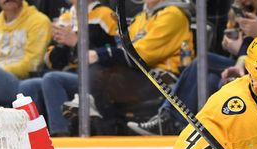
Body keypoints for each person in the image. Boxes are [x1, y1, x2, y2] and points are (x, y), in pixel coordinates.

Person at [126, 0, 257, 136]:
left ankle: (172, 120)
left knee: (204, 61)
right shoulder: (243, 11)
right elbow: (247, 43)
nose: (244, 1)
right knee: (211, 80)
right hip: (243, 64)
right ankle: (189, 131)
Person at [70, 0, 193, 135]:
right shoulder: (141, 17)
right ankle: (92, 108)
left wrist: (101, 54)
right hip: (140, 74)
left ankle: (104, 125)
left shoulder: (173, 14)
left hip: (162, 78)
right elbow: (121, 48)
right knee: (96, 71)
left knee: (100, 73)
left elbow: (142, 54)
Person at [18, 0, 117, 137]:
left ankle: (62, 135)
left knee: (52, 79)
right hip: (68, 74)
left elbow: (112, 54)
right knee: (28, 85)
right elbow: (51, 61)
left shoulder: (105, 15)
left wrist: (76, 42)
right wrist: (63, 45)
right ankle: (33, 139)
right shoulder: (64, 18)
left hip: (96, 77)